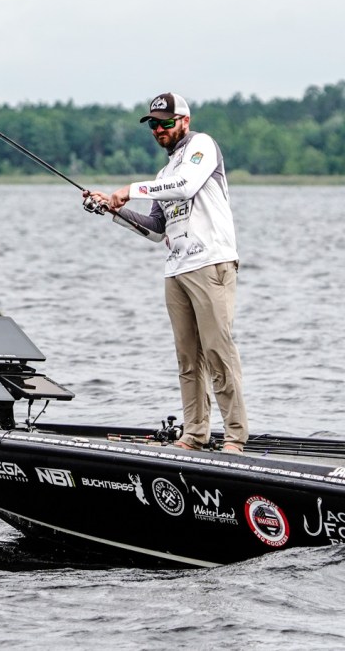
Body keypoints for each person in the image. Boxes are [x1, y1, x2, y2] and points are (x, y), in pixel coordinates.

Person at [85, 92, 247, 454]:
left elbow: (186, 185)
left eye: (166, 123)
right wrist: (112, 209)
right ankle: (195, 433)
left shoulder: (202, 146)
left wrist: (131, 190)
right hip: (176, 270)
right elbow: (157, 229)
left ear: (184, 121)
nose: (159, 130)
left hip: (211, 263)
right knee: (188, 359)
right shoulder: (164, 174)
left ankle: (235, 438)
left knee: (218, 351)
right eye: (154, 125)